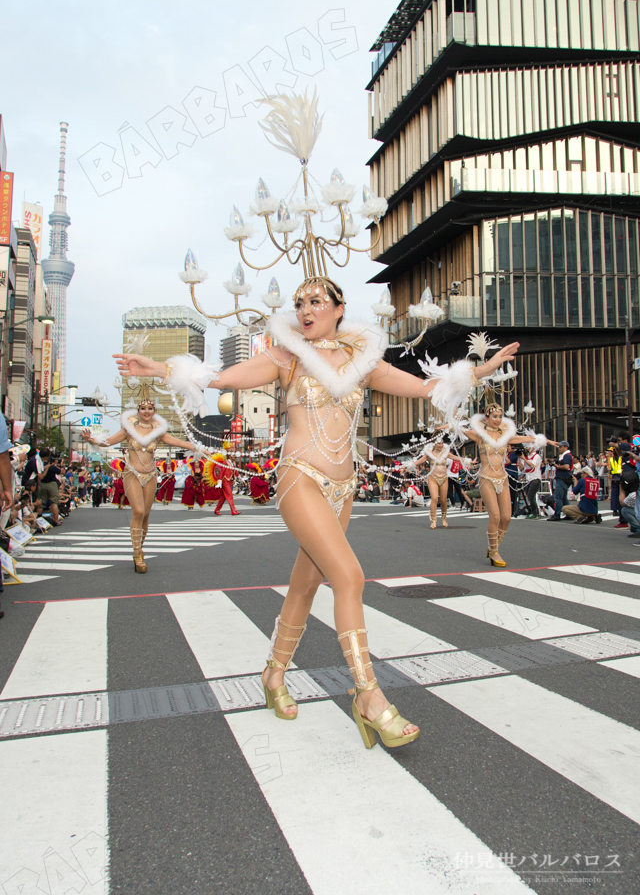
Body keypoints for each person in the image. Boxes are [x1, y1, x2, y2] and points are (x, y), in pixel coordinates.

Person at [115, 276, 518, 750]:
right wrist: (160, 368)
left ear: (339, 307)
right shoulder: (287, 357)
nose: (305, 309)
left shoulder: (362, 363)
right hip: (300, 477)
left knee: (306, 584)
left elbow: (428, 387)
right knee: (349, 576)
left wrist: (480, 369)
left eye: (316, 301)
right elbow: (223, 378)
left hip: (343, 488)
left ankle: (273, 673)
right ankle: (369, 696)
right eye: (299, 302)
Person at [82, 392, 203, 572]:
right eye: (143, 408)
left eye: (150, 408)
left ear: (154, 411)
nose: (146, 411)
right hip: (132, 474)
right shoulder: (128, 429)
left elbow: (177, 441)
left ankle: (140, 549)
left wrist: (194, 446)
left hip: (150, 476)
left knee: (146, 514)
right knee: (137, 511)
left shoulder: (157, 431)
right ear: (137, 411)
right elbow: (108, 442)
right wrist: (92, 439)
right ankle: (137, 553)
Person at [461, 406, 554, 565]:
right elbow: (458, 428)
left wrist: (544, 440)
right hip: (486, 478)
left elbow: (525, 438)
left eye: (500, 416)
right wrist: (446, 425)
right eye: (494, 416)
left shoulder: (505, 436)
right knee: (495, 516)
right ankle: (494, 552)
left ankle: (493, 546)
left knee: (506, 517)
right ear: (487, 417)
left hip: (502, 478)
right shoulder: (480, 435)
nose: (497, 419)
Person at [415, 439, 450, 528]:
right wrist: (407, 465)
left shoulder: (445, 453)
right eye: (439, 443)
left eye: (442, 443)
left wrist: (468, 461)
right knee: (434, 498)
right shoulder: (429, 454)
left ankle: (443, 518)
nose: (441, 445)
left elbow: (456, 457)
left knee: (443, 500)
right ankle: (433, 520)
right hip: (433, 477)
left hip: (444, 478)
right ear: (434, 444)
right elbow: (419, 461)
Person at [548, 441, 574, 521]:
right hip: (565, 478)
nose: (559, 448)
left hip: (562, 478)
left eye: (560, 447)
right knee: (563, 498)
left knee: (558, 497)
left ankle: (557, 514)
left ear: (565, 447)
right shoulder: (567, 455)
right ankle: (569, 513)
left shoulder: (566, 456)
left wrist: (557, 466)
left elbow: (566, 466)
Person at [37, 449, 62, 525]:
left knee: (41, 503)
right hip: (51, 484)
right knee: (54, 503)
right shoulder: (51, 466)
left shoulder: (39, 463)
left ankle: (38, 521)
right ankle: (56, 520)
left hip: (42, 484)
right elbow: (61, 472)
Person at [520, 444, 543, 518]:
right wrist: (519, 458)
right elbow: (521, 468)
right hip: (528, 478)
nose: (527, 449)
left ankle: (535, 512)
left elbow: (532, 465)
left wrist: (524, 459)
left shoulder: (536, 456)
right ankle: (534, 511)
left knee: (531, 495)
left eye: (528, 447)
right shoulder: (526, 457)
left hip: (535, 478)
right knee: (528, 495)